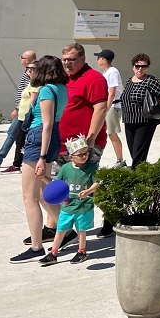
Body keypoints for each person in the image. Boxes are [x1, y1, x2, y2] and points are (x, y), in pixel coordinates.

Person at [10, 56, 69, 262]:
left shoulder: (46, 90)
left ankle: (36, 247)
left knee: (30, 197)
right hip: (51, 139)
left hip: (39, 140)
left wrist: (42, 157)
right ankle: (67, 228)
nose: (32, 71)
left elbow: (46, 124)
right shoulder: (61, 88)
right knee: (44, 194)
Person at [58, 42, 110, 236]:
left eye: (72, 60)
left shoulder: (93, 78)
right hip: (62, 144)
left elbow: (100, 109)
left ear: (82, 58)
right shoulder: (64, 78)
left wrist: (91, 140)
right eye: (64, 60)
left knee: (89, 184)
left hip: (84, 145)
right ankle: (61, 228)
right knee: (63, 187)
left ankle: (111, 214)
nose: (67, 64)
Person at [40, 134, 98, 266]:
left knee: (81, 230)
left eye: (86, 153)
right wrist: (42, 177)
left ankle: (82, 251)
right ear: (71, 156)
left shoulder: (92, 168)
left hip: (84, 206)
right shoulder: (66, 169)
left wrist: (88, 191)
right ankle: (53, 253)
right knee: (60, 230)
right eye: (80, 154)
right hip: (67, 206)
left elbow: (97, 182)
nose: (84, 156)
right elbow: (56, 184)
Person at [0, 49, 37, 170]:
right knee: (13, 135)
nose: (20, 59)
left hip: (24, 112)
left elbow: (29, 96)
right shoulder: (27, 72)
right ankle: (2, 159)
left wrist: (16, 109)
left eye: (22, 57)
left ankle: (2, 159)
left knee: (15, 136)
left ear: (27, 60)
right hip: (21, 111)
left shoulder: (31, 74)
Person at [120, 54, 160, 168]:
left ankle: (137, 175)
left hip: (145, 121)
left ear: (147, 68)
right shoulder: (129, 81)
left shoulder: (150, 81)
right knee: (133, 152)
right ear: (133, 67)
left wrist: (154, 109)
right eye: (137, 66)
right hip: (129, 121)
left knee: (139, 153)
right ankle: (141, 171)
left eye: (144, 67)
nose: (140, 69)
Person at [95, 49, 127, 167]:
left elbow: (112, 93)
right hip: (109, 106)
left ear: (103, 60)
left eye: (99, 58)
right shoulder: (107, 72)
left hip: (113, 106)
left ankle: (120, 160)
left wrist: (106, 109)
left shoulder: (112, 72)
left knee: (112, 133)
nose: (97, 61)